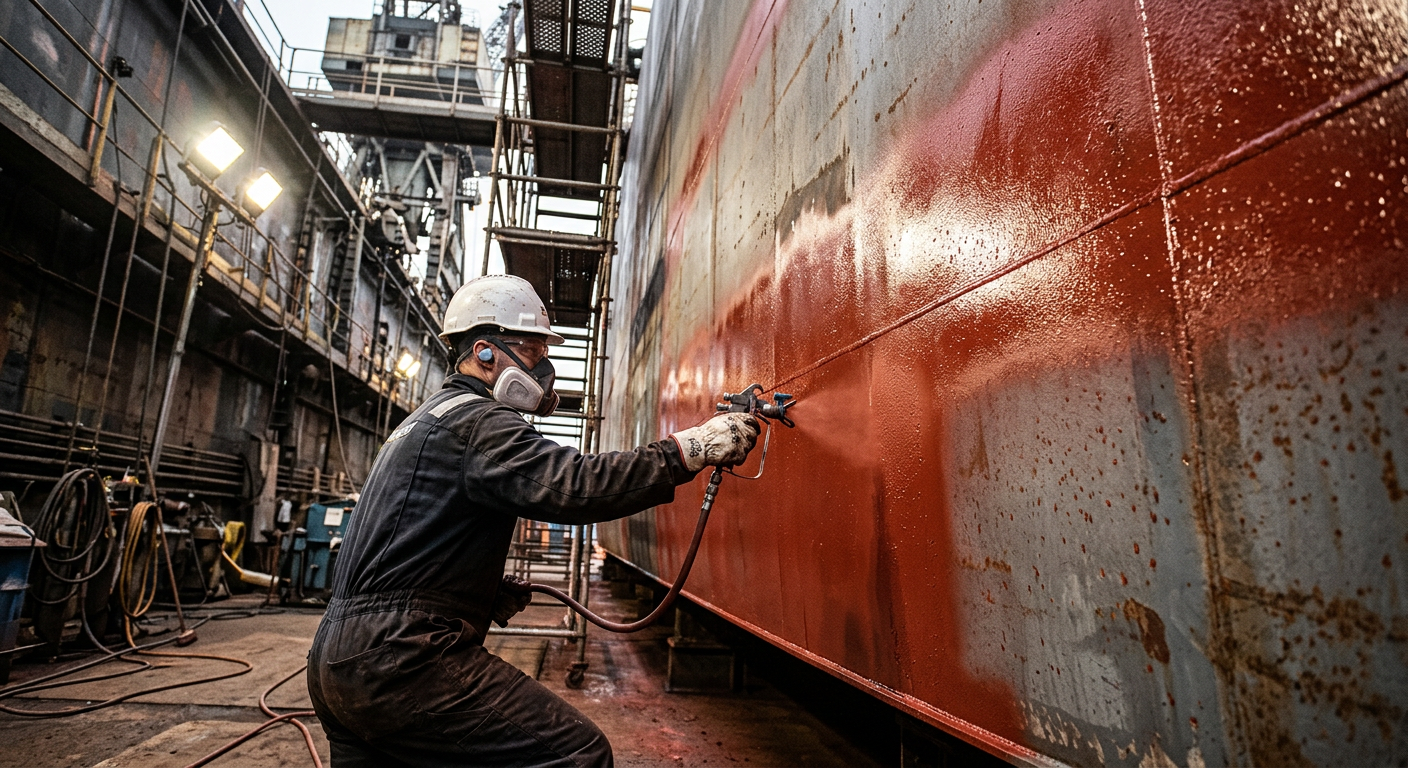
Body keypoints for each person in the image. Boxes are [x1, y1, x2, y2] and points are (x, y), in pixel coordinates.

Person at [306, 274, 759, 767]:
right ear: (484, 352)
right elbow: (574, 486)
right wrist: (687, 450)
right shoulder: (476, 421)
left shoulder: (423, 421)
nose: (544, 367)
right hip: (401, 662)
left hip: (336, 663)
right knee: (577, 754)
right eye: (531, 350)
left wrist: (478, 589)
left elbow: (397, 549)